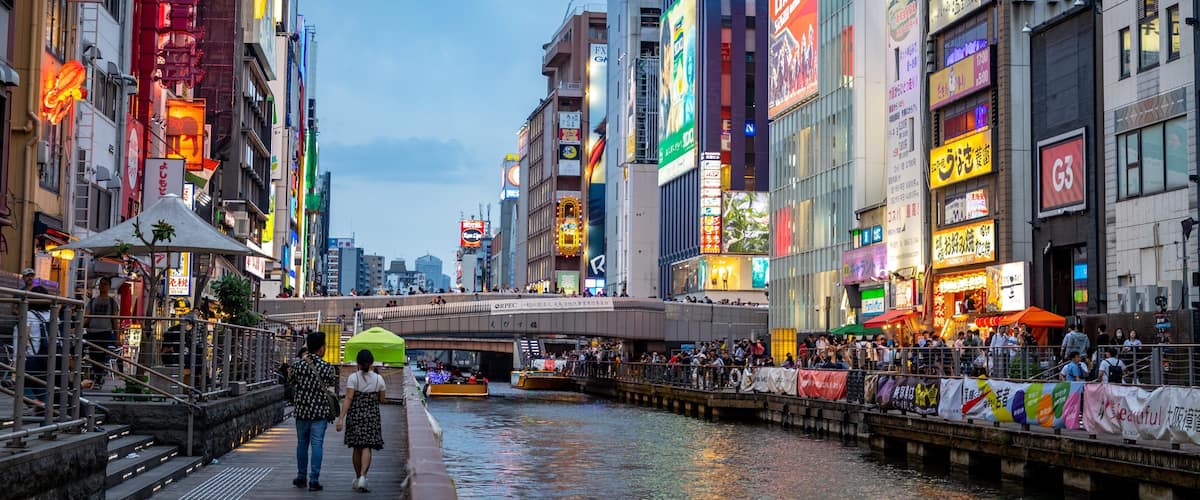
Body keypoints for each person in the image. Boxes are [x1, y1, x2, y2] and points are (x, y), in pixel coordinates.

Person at [289, 332, 338, 491]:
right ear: (321, 348)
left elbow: (291, 382)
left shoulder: (298, 365)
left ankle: (301, 477)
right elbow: (331, 384)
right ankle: (314, 480)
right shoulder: (327, 367)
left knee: (302, 444)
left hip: (302, 411)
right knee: (317, 445)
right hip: (320, 412)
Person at [336, 349, 386, 493]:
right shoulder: (379, 379)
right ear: (371, 363)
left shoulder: (353, 378)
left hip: (355, 415)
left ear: (358, 362)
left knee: (356, 447)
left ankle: (358, 477)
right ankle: (363, 477)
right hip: (371, 416)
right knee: (367, 447)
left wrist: (341, 418)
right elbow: (382, 399)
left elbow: (348, 398)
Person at [13, 286, 53, 404]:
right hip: (49, 358)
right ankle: (44, 408)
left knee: (23, 387)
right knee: (43, 389)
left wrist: (14, 367)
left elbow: (22, 341)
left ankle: (39, 405)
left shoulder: (28, 315)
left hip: (32, 359)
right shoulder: (53, 315)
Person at [85, 277, 120, 385]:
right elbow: (87, 316)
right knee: (93, 355)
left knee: (101, 355)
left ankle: (99, 375)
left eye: (105, 284)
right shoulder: (92, 301)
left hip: (105, 332)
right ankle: (97, 375)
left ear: (109, 286)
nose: (102, 286)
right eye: (101, 284)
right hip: (92, 332)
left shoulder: (112, 302)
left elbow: (115, 320)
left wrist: (117, 336)